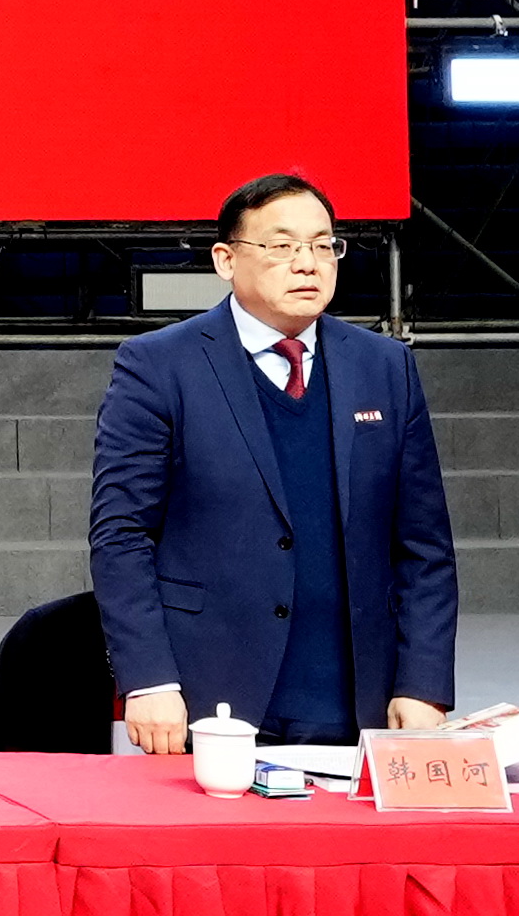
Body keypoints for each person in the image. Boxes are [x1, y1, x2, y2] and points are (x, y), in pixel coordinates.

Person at [86, 171, 460, 757]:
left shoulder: (385, 366)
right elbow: (121, 535)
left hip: (361, 696)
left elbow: (425, 546)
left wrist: (424, 684)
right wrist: (148, 678)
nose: (307, 264)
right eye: (282, 246)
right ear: (225, 259)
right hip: (208, 694)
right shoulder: (158, 365)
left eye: (323, 245)